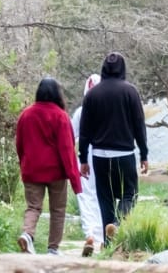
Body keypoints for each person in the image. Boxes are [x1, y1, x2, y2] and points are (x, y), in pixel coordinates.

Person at [78, 52, 149, 245]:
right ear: (122, 68)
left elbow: (84, 131)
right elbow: (139, 125)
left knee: (105, 199)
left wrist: (83, 159)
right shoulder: (130, 92)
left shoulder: (92, 95)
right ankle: (117, 225)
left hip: (100, 156)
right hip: (124, 155)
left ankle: (109, 244)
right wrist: (144, 154)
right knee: (130, 194)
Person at [15, 77, 82, 255]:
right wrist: (75, 180)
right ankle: (53, 248)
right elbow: (67, 150)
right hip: (56, 173)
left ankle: (27, 234)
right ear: (58, 94)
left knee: (33, 207)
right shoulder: (60, 116)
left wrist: (24, 164)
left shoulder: (26, 114)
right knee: (58, 210)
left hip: (32, 170)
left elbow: (19, 145)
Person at [71, 73, 103, 256]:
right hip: (103, 155)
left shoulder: (80, 112)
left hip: (85, 157)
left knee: (85, 195)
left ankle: (90, 233)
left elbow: (72, 135)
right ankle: (101, 234)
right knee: (102, 194)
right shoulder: (107, 110)